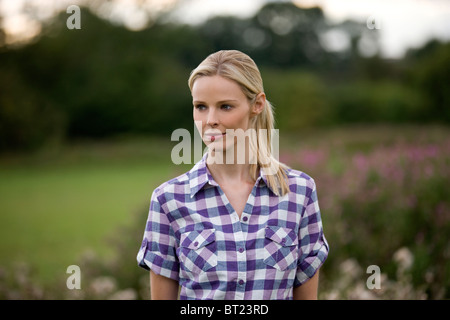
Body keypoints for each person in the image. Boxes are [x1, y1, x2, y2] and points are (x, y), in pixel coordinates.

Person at [136, 50, 329, 300]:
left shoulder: (299, 192)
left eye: (225, 106)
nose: (211, 120)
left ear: (257, 104)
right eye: (200, 107)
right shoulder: (168, 200)